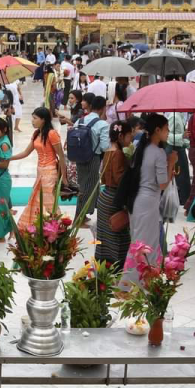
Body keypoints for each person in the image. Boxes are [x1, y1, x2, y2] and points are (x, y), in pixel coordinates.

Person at [124, 114, 174, 279]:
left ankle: (140, 280)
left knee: (139, 242)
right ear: (157, 130)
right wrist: (172, 163)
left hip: (138, 201)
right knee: (146, 245)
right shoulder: (158, 153)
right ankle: (141, 281)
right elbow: (162, 184)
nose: (168, 132)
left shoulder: (142, 149)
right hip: (148, 203)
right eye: (166, 129)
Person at [12, 107, 66, 230]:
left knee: (49, 202)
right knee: (37, 201)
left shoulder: (52, 134)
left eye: (35, 118)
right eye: (32, 117)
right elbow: (25, 153)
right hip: (40, 173)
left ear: (43, 120)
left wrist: (64, 177)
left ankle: (56, 230)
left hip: (50, 172)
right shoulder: (36, 134)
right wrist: (9, 158)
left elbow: (61, 156)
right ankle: (40, 229)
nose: (32, 120)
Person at [95, 119, 135, 268]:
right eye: (129, 136)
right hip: (114, 199)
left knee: (104, 236)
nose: (131, 139)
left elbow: (104, 176)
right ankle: (117, 267)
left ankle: (104, 266)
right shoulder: (119, 154)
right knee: (118, 236)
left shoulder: (107, 152)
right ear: (120, 137)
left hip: (104, 196)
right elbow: (120, 180)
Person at [74, 94, 110, 225]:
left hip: (79, 158)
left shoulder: (80, 121)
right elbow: (105, 146)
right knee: (88, 188)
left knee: (83, 185)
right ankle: (79, 219)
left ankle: (84, 214)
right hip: (93, 159)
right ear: (102, 108)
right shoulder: (102, 124)